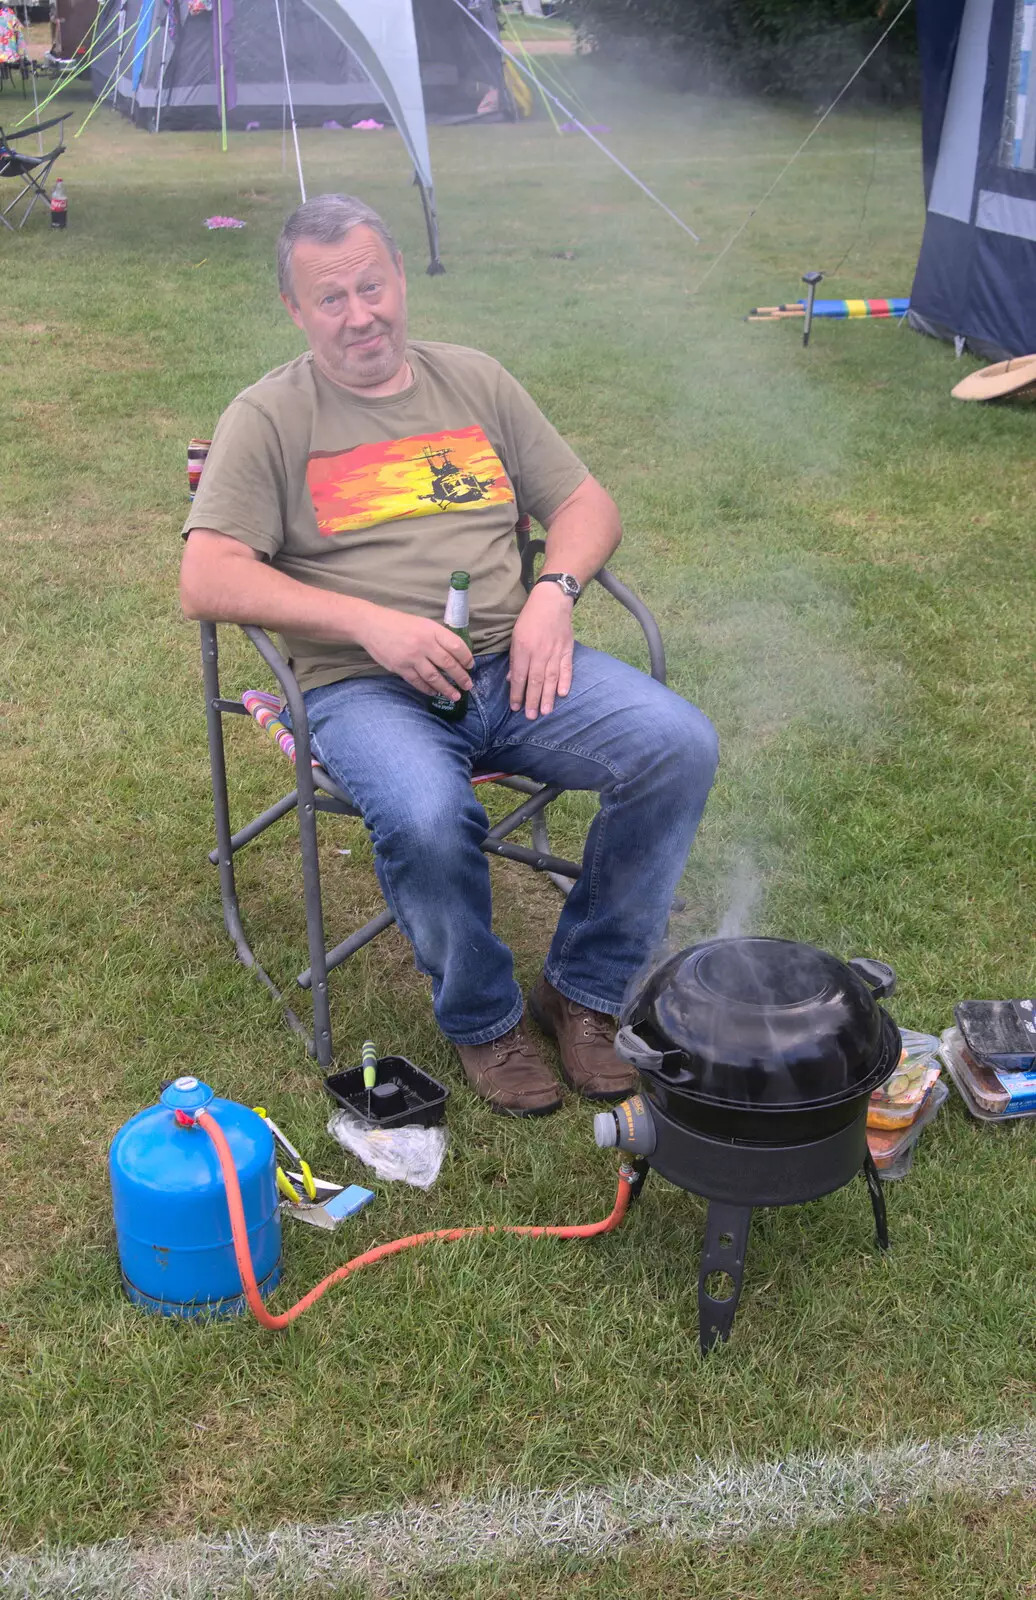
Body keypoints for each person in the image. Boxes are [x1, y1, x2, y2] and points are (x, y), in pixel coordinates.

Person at [180, 193, 718, 1117]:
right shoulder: (267, 417)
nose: (361, 315)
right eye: (332, 298)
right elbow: (208, 574)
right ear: (296, 311)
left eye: (373, 286)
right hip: (364, 686)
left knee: (679, 745)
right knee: (429, 817)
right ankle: (486, 1022)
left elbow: (589, 507)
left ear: (400, 280)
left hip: (518, 663)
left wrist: (557, 592)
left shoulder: (475, 381)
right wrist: (367, 621)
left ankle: (584, 993)